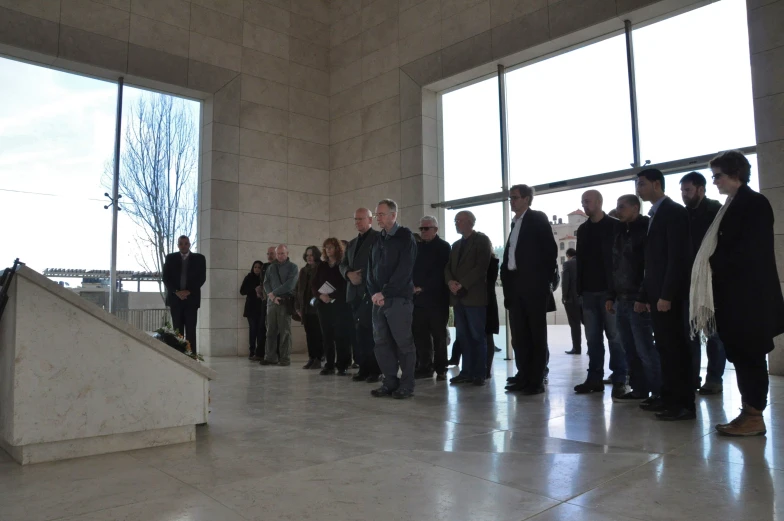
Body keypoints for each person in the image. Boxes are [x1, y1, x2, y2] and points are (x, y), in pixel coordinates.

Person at [691, 151, 784, 435]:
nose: (714, 181)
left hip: (749, 300)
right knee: (743, 357)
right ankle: (748, 412)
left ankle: (754, 416)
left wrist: (712, 262)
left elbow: (749, 252)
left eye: (717, 175)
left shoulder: (753, 203)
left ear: (735, 173)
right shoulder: (731, 206)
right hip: (736, 299)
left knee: (751, 356)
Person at [636, 168, 694, 421]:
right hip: (657, 294)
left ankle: (684, 404)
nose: (639, 189)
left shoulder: (674, 212)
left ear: (657, 184)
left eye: (642, 184)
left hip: (669, 296)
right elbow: (653, 263)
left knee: (676, 349)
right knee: (666, 349)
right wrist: (647, 295)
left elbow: (677, 258)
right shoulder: (656, 214)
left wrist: (666, 295)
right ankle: (670, 399)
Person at [501, 184, 557, 395]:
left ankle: (536, 379)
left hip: (533, 287)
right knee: (519, 336)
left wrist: (541, 283)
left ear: (526, 199)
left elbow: (550, 252)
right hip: (515, 287)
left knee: (536, 335)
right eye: (510, 198)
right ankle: (523, 375)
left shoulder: (537, 218)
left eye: (515, 198)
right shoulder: (515, 223)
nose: (511, 202)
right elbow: (510, 256)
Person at [606, 195, 661, 404]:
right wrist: (611, 296)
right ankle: (639, 389)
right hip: (621, 298)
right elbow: (615, 265)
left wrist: (643, 296)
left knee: (645, 348)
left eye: (622, 207)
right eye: (617, 206)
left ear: (635, 208)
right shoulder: (619, 231)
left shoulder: (646, 228)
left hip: (638, 300)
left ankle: (658, 392)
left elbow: (650, 266)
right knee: (629, 348)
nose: (618, 210)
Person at [573, 190, 628, 398]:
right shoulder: (583, 230)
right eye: (582, 202)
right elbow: (581, 262)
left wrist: (615, 292)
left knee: (615, 337)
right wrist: (579, 290)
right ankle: (594, 378)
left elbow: (621, 260)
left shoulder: (615, 226)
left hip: (609, 292)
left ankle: (620, 378)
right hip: (588, 292)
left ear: (599, 202)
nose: (584, 205)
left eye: (587, 201)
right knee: (592, 339)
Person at [680, 171, 727, 394]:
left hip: (711, 280)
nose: (684, 195)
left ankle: (714, 379)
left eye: (687, 190)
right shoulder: (683, 215)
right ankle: (691, 377)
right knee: (691, 333)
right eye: (682, 190)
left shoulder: (715, 211)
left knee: (713, 333)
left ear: (700, 188)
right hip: (688, 281)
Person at [367, 199, 417, 399]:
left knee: (403, 343)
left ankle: (407, 384)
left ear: (393, 215)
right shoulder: (378, 239)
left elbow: (404, 269)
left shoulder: (405, 237)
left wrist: (384, 292)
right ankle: (389, 381)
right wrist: (373, 293)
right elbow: (370, 270)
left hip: (397, 299)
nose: (377, 218)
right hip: (377, 301)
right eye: (377, 214)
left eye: (381, 214)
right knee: (381, 343)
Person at [445, 211, 492, 386]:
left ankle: (479, 373)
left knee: (477, 337)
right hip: (458, 299)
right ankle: (466, 372)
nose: (456, 224)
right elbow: (448, 267)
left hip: (474, 298)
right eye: (455, 221)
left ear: (471, 222)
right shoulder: (456, 245)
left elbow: (481, 267)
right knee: (463, 337)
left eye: (460, 221)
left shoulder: (481, 240)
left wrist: (462, 284)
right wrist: (450, 282)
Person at [340, 208, 382, 383]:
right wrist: (348, 274)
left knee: (372, 334)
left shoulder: (378, 239)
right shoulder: (351, 243)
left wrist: (361, 277)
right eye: (355, 219)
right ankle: (363, 368)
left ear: (370, 220)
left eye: (361, 219)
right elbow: (342, 265)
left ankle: (375, 370)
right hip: (354, 294)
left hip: (370, 293)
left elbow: (380, 265)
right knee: (359, 335)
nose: (357, 222)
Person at [450, 252, 501, 380]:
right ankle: (475, 370)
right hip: (475, 303)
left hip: (486, 303)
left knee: (486, 336)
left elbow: (487, 281)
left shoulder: (490, 263)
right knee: (474, 337)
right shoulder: (481, 263)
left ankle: (485, 370)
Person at [412, 216, 451, 381]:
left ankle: (441, 368)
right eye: (421, 229)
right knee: (420, 336)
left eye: (426, 228)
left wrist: (423, 287)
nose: (423, 232)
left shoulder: (443, 247)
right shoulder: (417, 247)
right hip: (418, 299)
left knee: (439, 335)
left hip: (437, 299)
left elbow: (441, 272)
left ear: (435, 229)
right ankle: (425, 367)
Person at [312, 238, 353, 376]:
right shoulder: (322, 265)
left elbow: (345, 285)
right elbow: (314, 284)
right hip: (324, 304)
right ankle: (329, 365)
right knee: (327, 335)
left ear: (337, 248)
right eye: (326, 247)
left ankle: (342, 365)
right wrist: (320, 296)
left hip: (340, 304)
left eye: (331, 247)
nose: (328, 250)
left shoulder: (342, 264)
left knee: (341, 336)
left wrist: (332, 296)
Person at [162, 235, 206, 355]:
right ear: (178, 245)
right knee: (178, 330)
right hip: (175, 300)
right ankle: (179, 356)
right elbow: (166, 277)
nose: (183, 245)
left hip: (191, 300)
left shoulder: (199, 258)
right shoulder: (170, 258)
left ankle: (191, 356)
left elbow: (201, 278)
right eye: (181, 243)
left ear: (189, 244)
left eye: (186, 243)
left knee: (191, 330)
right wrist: (176, 291)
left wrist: (188, 291)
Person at [260, 245, 298, 367]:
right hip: (272, 303)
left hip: (284, 301)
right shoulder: (271, 267)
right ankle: (270, 357)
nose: (280, 256)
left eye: (282, 253)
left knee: (285, 331)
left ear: (287, 253)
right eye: (278, 254)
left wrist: (274, 293)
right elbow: (266, 283)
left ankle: (285, 358)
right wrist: (272, 297)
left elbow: (290, 284)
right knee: (270, 330)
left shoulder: (293, 267)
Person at [295, 246, 323, 369]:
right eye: (307, 255)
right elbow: (298, 290)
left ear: (316, 255)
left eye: (311, 255)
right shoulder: (303, 270)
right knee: (309, 334)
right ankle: (311, 358)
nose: (309, 257)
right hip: (306, 307)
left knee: (318, 334)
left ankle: (319, 358)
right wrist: (298, 307)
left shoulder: (321, 268)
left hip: (317, 307)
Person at [240, 260, 267, 360]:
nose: (257, 269)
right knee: (253, 330)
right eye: (255, 267)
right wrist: (254, 289)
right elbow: (242, 291)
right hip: (251, 308)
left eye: (259, 267)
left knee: (261, 330)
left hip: (261, 308)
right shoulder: (249, 277)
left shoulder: (264, 278)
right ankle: (252, 351)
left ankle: (260, 352)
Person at [561, 248, 583, 355]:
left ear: (568, 255)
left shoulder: (567, 264)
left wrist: (564, 296)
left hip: (572, 299)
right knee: (589, 324)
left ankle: (577, 348)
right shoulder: (584, 263)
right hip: (585, 299)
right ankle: (591, 349)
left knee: (575, 324)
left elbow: (565, 282)